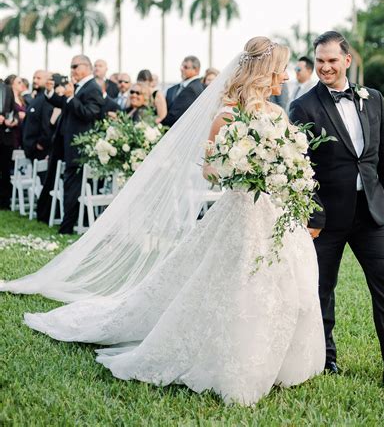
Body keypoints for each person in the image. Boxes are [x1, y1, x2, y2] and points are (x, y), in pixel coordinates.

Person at [2, 37, 325, 406]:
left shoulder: (278, 115)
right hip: (240, 214)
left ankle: (279, 360)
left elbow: (292, 163)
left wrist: (284, 171)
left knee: (283, 285)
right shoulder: (226, 117)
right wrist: (240, 168)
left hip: (276, 215)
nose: (284, 75)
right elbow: (208, 171)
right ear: (262, 72)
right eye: (279, 68)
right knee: (234, 285)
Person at [289, 31, 384, 385]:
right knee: (322, 289)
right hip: (326, 217)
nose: (324, 67)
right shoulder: (304, 106)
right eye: (319, 61)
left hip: (373, 212)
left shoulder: (372, 98)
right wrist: (313, 215)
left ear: (347, 60)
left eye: (331, 60)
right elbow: (300, 168)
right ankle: (325, 360)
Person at [45, 55, 104, 234]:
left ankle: (67, 227)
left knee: (72, 185)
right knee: (69, 183)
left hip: (79, 146)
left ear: (87, 66)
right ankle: (66, 224)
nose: (71, 70)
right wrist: (50, 92)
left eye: (75, 66)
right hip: (67, 144)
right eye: (71, 66)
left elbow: (89, 114)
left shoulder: (93, 88)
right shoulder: (79, 87)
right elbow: (64, 103)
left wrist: (71, 98)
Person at [22, 70, 55, 162]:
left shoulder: (46, 99)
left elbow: (47, 123)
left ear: (47, 80)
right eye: (34, 78)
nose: (35, 80)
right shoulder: (36, 99)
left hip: (40, 151)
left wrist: (41, 143)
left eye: (39, 78)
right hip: (31, 149)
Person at [163, 56, 204, 127]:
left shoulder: (192, 89)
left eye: (185, 67)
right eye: (182, 66)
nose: (181, 69)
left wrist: (159, 122)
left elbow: (176, 116)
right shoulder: (181, 87)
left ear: (196, 70)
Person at [0, 80, 17, 209]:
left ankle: (5, 202)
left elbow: (13, 110)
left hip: (5, 136)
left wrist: (14, 120)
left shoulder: (7, 88)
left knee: (5, 170)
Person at [4, 75, 27, 149]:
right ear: (12, 84)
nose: (22, 84)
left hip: (22, 132)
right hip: (12, 134)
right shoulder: (6, 99)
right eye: (19, 82)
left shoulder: (23, 99)